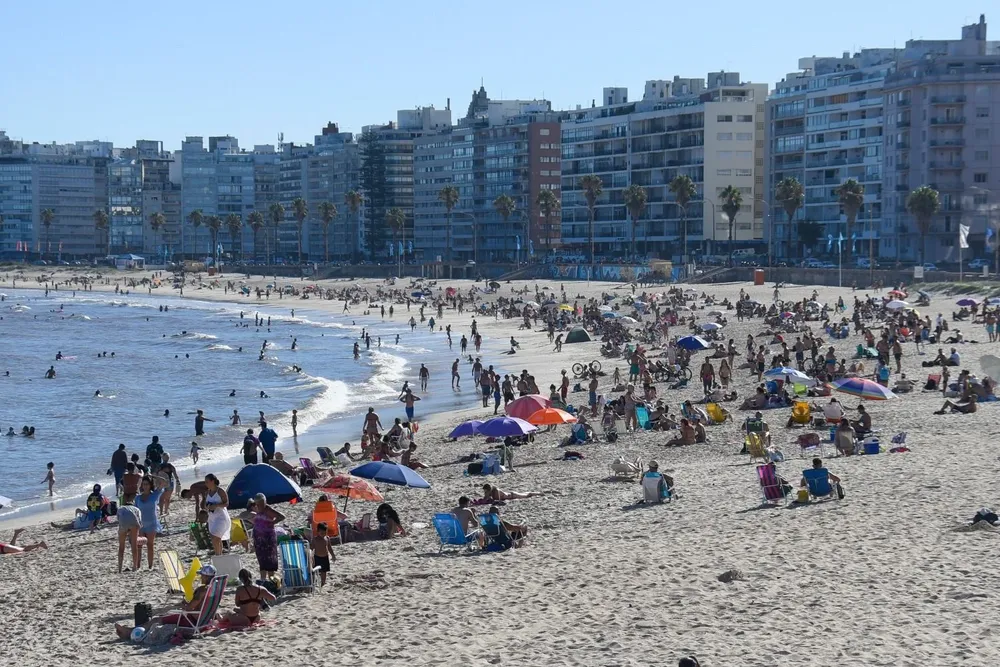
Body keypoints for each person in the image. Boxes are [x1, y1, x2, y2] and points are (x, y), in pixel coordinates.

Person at [114, 565, 218, 640]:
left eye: (202, 575)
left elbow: (189, 608)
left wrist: (183, 605)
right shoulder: (215, 588)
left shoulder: (202, 590)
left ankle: (129, 632)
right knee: (161, 617)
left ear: (205, 576)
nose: (200, 577)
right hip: (204, 620)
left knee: (157, 619)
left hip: (192, 621)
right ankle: (131, 630)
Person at [242, 493, 284, 579]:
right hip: (258, 538)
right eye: (257, 503)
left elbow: (282, 516)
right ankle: (263, 580)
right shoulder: (256, 510)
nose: (259, 505)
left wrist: (272, 523)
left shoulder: (267, 509)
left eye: (261, 503)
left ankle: (271, 579)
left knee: (270, 560)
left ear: (264, 502)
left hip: (268, 537)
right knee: (261, 560)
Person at [134, 475, 166, 569]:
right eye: (144, 484)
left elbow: (163, 481)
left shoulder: (155, 494)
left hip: (152, 524)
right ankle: (138, 565)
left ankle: (150, 566)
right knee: (139, 546)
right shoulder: (138, 498)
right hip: (141, 525)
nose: (145, 486)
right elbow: (135, 511)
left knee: (150, 545)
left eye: (147, 484)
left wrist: (152, 475)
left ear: (150, 485)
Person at [204, 473, 232, 556]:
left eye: (207, 482)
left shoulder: (220, 491)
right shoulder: (207, 492)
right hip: (212, 518)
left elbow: (226, 503)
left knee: (216, 538)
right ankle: (219, 555)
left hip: (221, 518)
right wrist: (208, 507)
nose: (206, 484)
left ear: (213, 481)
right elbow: (205, 504)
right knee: (215, 538)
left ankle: (217, 554)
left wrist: (216, 505)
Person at [116, 502, 142, 572]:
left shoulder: (121, 508)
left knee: (121, 546)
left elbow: (119, 519)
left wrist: (125, 530)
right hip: (134, 523)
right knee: (134, 545)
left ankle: (120, 568)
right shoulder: (136, 509)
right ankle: (134, 567)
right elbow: (139, 520)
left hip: (123, 522)